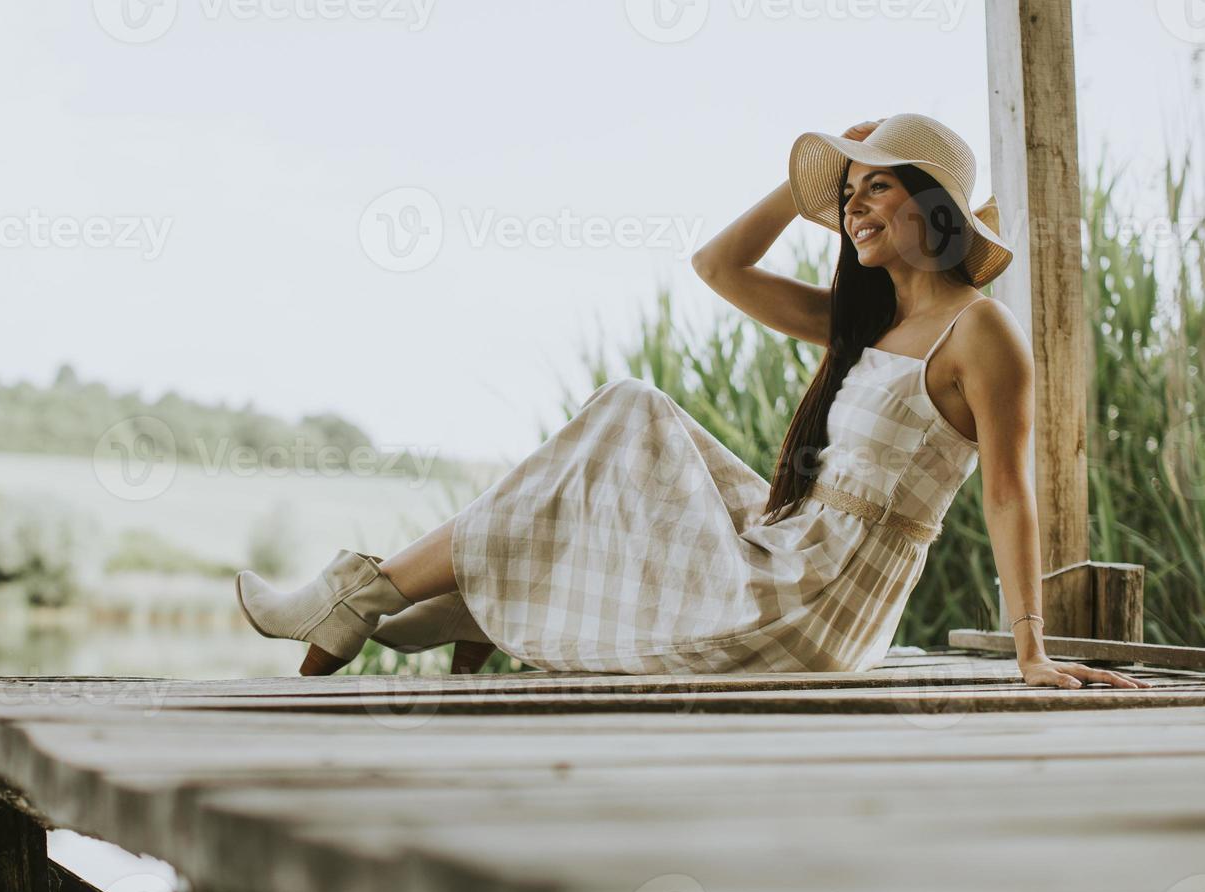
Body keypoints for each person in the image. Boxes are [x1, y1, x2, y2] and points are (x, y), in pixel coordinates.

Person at [235, 113, 1149, 692]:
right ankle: (422, 594)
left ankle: (371, 595)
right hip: (786, 547)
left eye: (880, 186)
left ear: (937, 208)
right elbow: (719, 267)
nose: (857, 207)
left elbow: (1007, 492)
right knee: (632, 417)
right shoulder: (859, 323)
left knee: (629, 410)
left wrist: (1031, 647)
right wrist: (807, 190)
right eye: (851, 193)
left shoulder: (979, 333)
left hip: (814, 603)